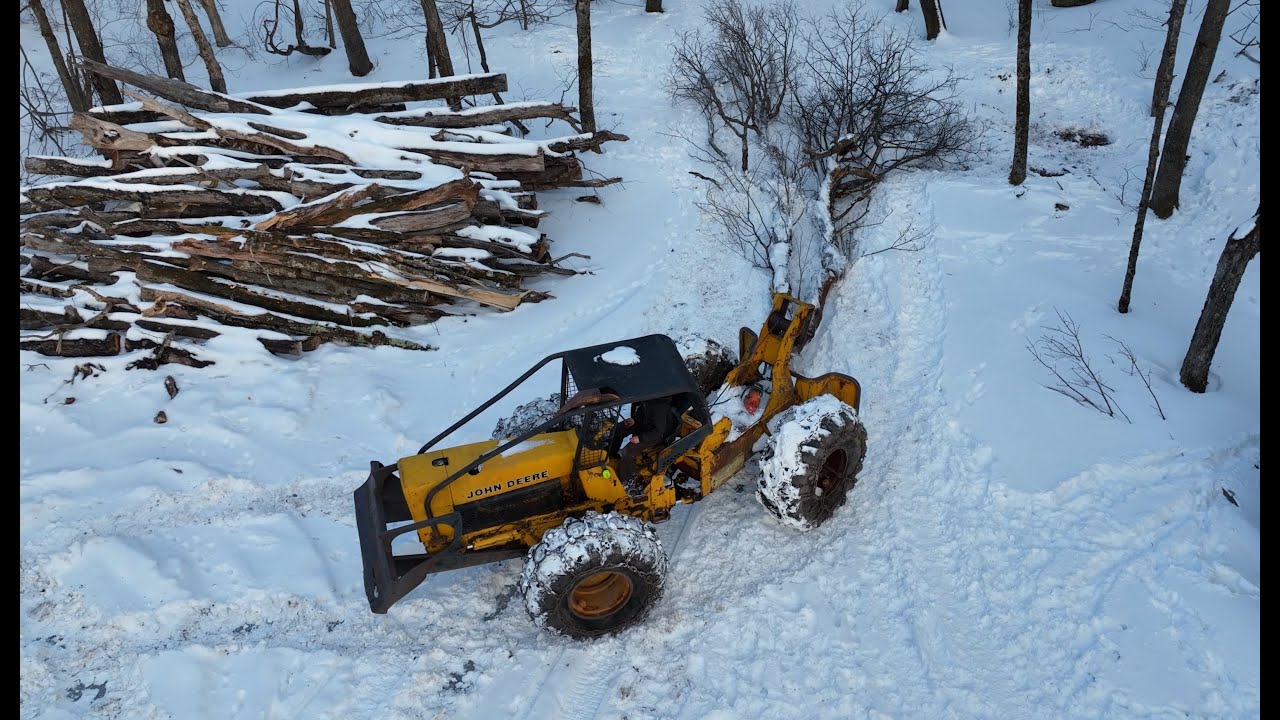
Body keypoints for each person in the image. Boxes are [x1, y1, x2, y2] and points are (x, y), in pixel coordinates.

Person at [615, 397, 678, 496]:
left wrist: (640, 438)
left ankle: (627, 482)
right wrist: (633, 420)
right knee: (619, 429)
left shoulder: (658, 407)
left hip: (655, 437)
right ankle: (613, 457)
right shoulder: (647, 401)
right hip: (645, 430)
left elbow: (659, 432)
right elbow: (641, 417)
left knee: (628, 450)